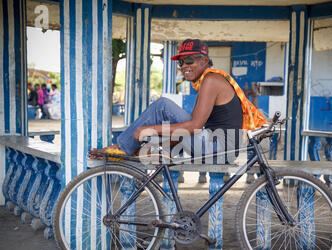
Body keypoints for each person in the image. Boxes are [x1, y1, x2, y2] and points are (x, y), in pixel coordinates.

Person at [91, 39, 266, 163]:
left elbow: (194, 127)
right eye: (181, 62)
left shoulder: (212, 80)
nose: (184, 66)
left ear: (205, 60)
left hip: (219, 150)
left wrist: (146, 129)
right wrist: (157, 144)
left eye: (189, 60)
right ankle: (129, 148)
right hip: (219, 149)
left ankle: (122, 147)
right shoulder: (207, 81)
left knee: (162, 105)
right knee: (170, 127)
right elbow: (189, 129)